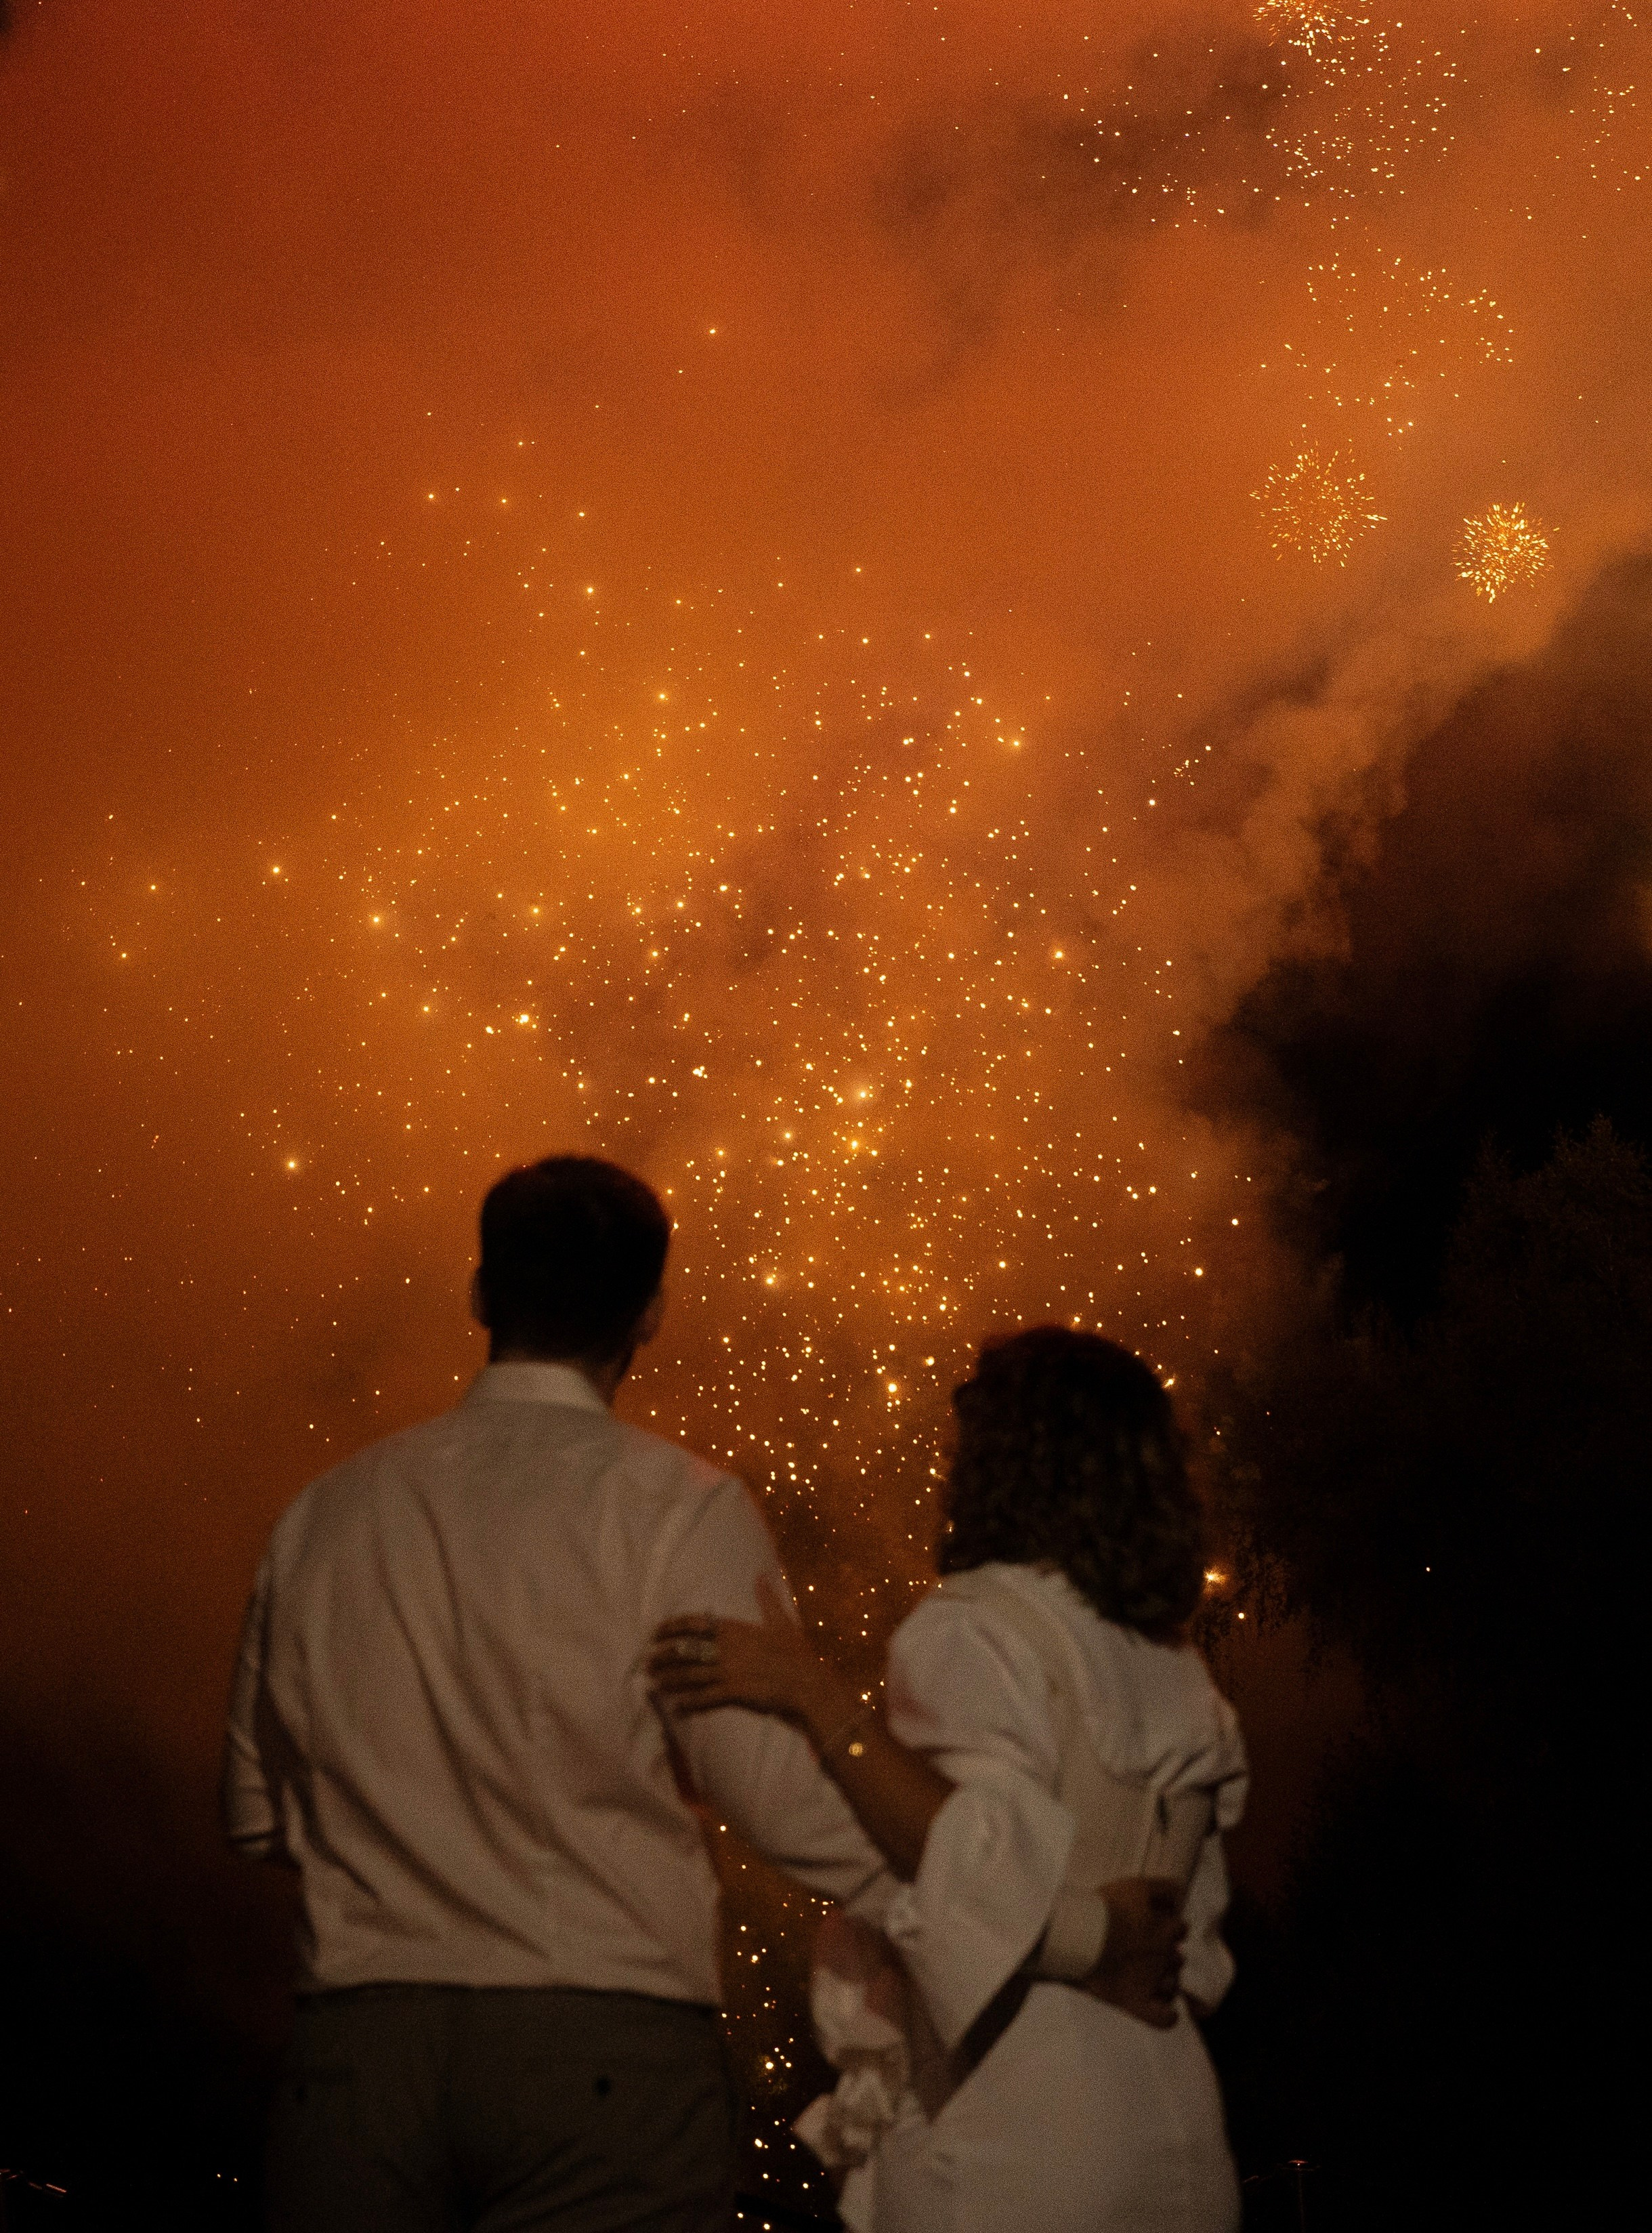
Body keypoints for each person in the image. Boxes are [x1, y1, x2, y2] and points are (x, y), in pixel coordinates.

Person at [222, 1154, 902, 2232]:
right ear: (653, 1316)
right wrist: (976, 1893)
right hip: (600, 2045)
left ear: (481, 1293)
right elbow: (775, 1801)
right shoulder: (679, 1510)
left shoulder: (325, 1515)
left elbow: (259, 1816)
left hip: (357, 2062)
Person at [650, 1327, 1248, 2233]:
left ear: (1009, 1458)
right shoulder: (1175, 1665)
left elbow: (971, 1855)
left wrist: (815, 1695)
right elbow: (1189, 1934)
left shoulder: (974, 1630)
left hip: (1018, 2125)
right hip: (1176, 2120)